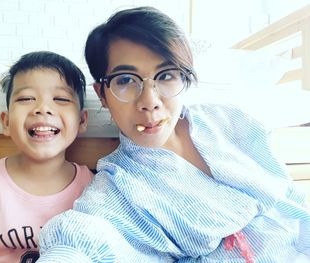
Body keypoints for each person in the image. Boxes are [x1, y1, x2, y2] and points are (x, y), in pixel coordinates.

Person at [37, 7, 310, 263]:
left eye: (166, 75)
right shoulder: (118, 187)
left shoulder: (229, 120)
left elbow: (289, 195)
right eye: (125, 80)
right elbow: (89, 239)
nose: (150, 101)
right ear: (102, 95)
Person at [0, 51, 94, 263]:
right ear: (6, 122)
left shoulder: (96, 191)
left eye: (60, 98)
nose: (43, 108)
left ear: (82, 121)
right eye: (26, 98)